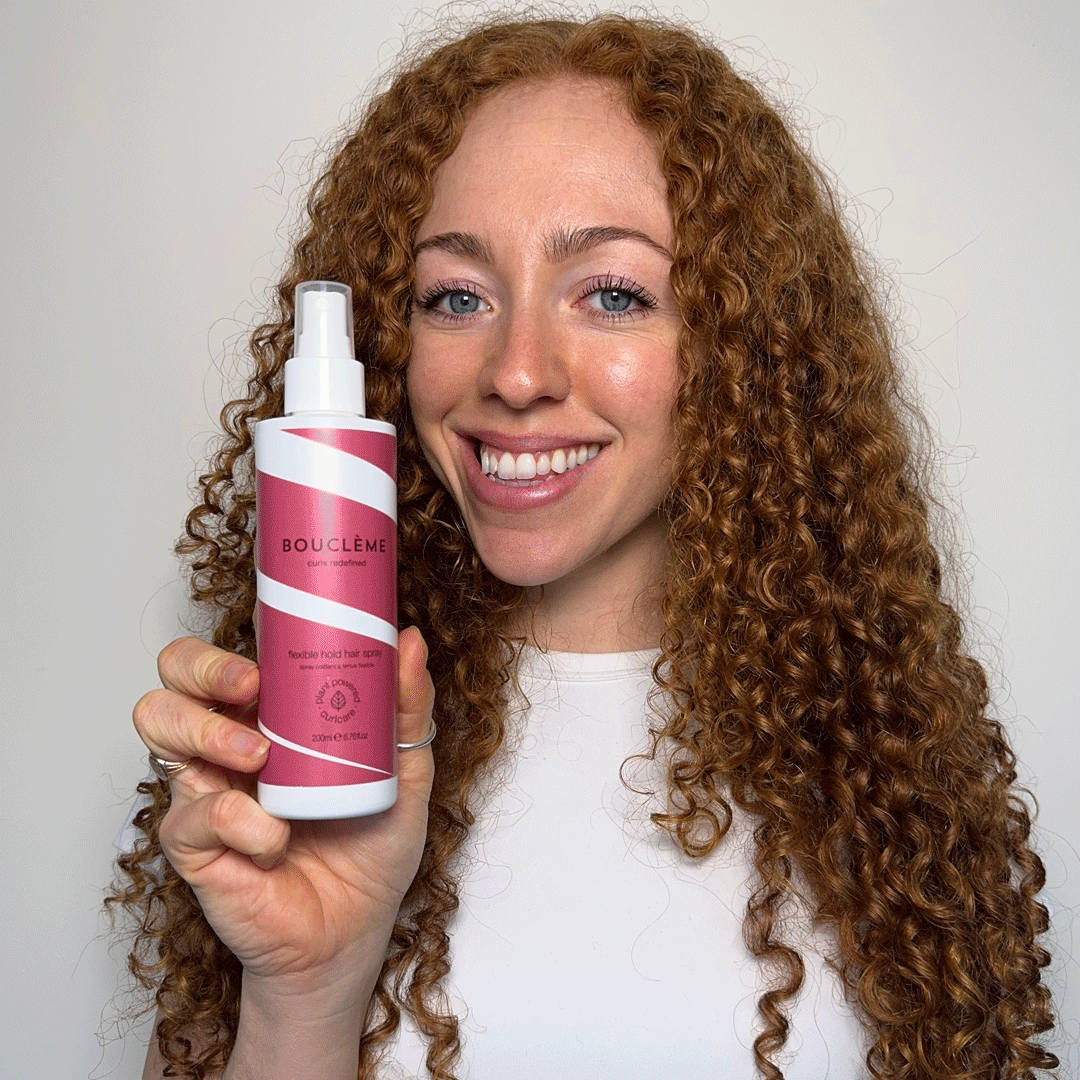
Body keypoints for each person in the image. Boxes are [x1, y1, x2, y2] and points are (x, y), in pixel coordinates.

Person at [108, 12, 1060, 1080]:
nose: (517, 373)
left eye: (612, 293)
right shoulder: (319, 743)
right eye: (456, 296)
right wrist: (304, 998)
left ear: (738, 348)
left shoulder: (878, 771)